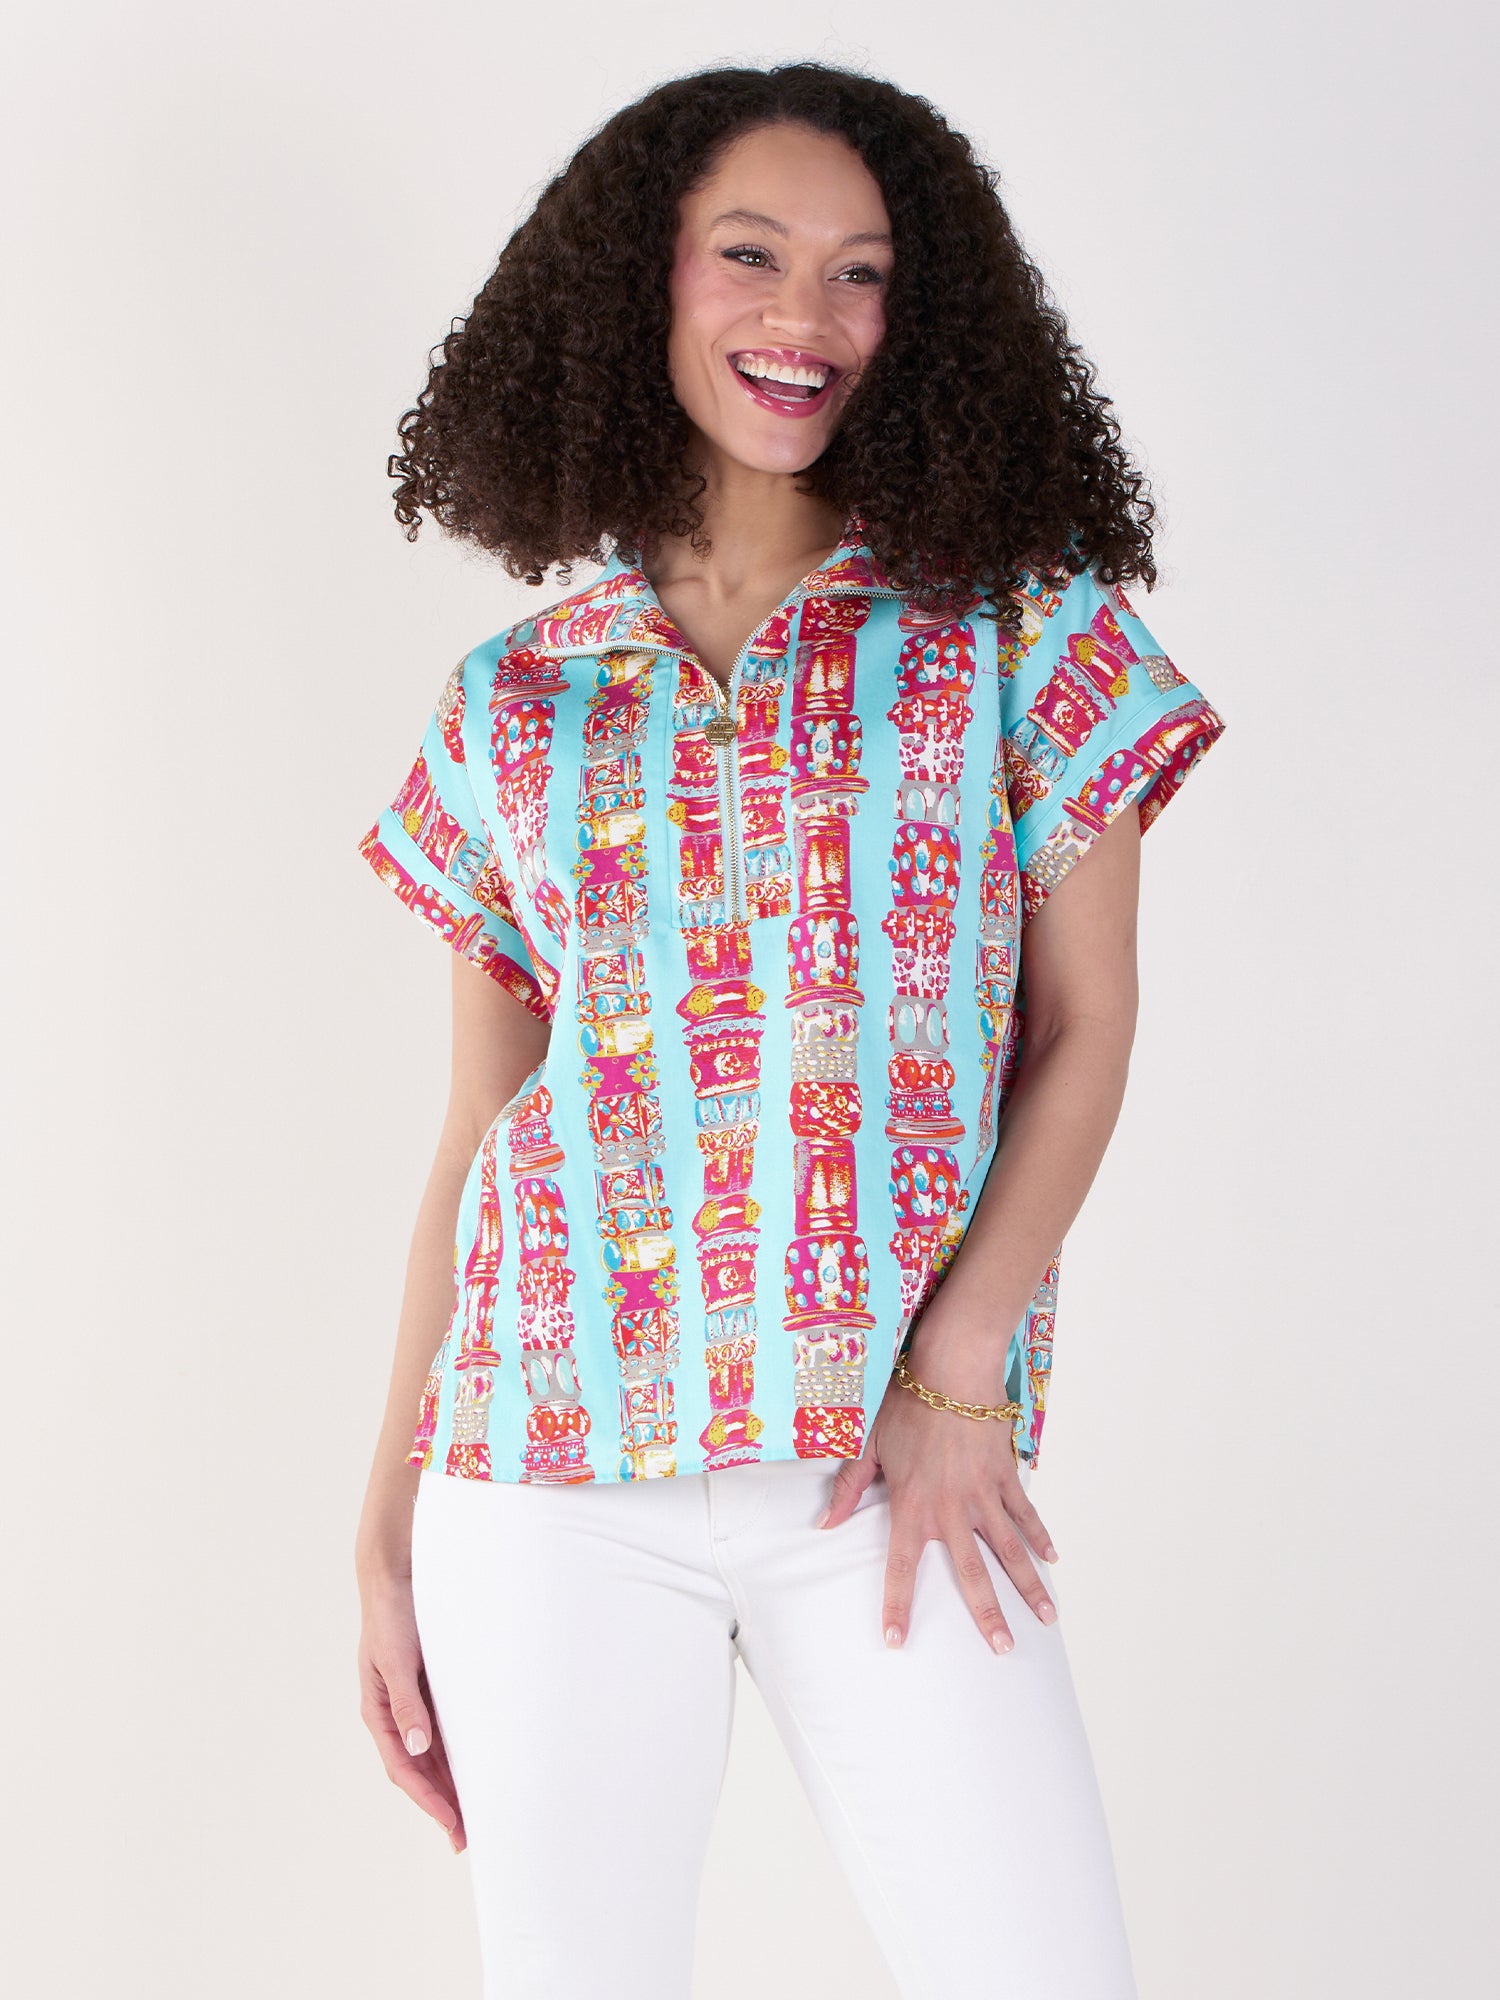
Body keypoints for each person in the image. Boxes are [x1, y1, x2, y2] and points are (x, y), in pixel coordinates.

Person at [352, 60, 1226, 2000]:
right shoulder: (515, 697)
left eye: (861, 273)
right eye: (749, 255)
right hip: (541, 1467)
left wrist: (961, 1373)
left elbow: (1087, 1025)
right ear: (640, 279)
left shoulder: (1021, 631)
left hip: (890, 1469)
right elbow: (481, 1130)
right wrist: (389, 1521)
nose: (804, 315)